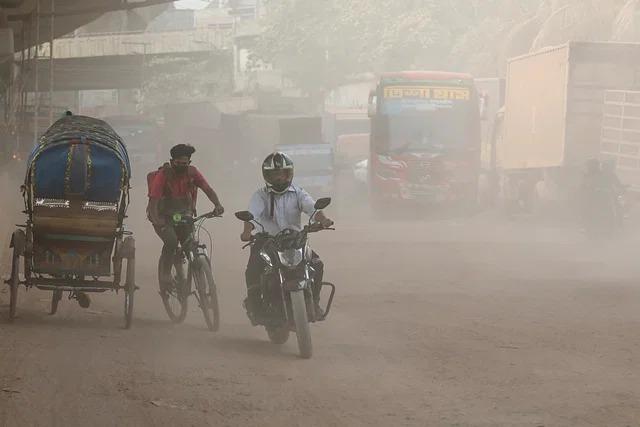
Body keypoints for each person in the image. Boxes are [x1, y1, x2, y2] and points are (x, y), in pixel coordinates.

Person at [240, 152, 333, 320]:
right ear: (267, 176)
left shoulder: (298, 193)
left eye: (282, 174)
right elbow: (251, 216)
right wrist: (247, 232)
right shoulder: (260, 195)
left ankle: (314, 302)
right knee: (253, 269)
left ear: (289, 173)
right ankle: (254, 306)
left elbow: (313, 209)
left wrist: (324, 220)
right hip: (267, 241)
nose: (279, 178)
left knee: (317, 264)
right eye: (275, 174)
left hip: (294, 240)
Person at [147, 143, 224, 286]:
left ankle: (196, 273)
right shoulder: (164, 175)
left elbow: (208, 189)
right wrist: (158, 221)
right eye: (178, 163)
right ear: (171, 162)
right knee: (171, 241)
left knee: (189, 243)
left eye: (185, 163)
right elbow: (153, 201)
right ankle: (165, 274)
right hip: (163, 216)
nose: (182, 166)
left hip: (183, 215)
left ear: (189, 162)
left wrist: (217, 204)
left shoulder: (193, 173)